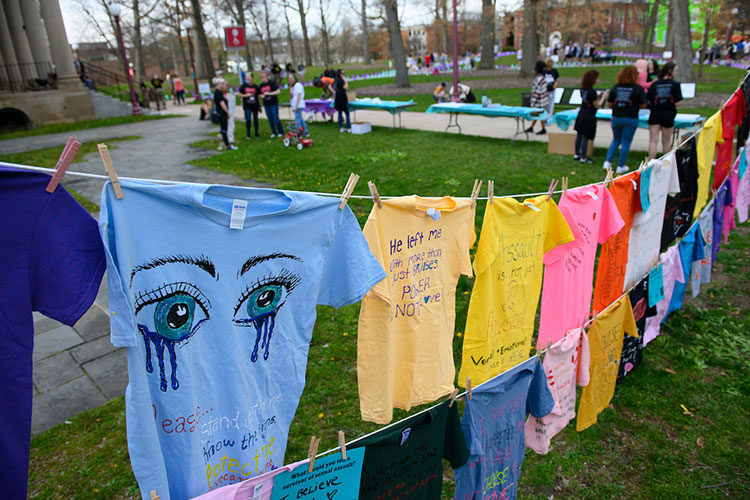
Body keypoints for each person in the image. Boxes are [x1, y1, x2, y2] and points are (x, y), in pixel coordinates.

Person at [604, 65, 646, 173]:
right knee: (626, 142)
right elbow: (643, 104)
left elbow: (610, 103)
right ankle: (620, 165)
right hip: (630, 118)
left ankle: (608, 162)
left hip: (617, 116)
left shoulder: (616, 87)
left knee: (616, 139)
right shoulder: (638, 89)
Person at [647, 62, 682, 159]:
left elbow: (649, 99)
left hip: (655, 113)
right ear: (670, 71)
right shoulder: (675, 85)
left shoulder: (655, 84)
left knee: (653, 140)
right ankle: (666, 163)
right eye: (676, 70)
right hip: (668, 114)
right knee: (666, 141)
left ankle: (651, 162)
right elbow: (678, 102)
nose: (676, 73)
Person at [574, 70, 608, 164]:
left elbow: (588, 99)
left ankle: (577, 153)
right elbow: (597, 105)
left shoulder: (583, 89)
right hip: (589, 115)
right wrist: (603, 97)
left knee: (579, 134)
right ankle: (584, 157)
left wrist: (598, 96)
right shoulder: (592, 91)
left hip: (582, 112)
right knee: (585, 135)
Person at [526, 60, 549, 135]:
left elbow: (537, 92)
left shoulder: (539, 80)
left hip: (540, 102)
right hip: (542, 101)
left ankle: (543, 129)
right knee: (538, 115)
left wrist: (533, 102)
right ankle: (532, 127)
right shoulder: (542, 79)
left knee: (539, 115)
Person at [213, 79, 236, 150]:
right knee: (224, 129)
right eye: (222, 84)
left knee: (223, 129)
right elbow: (222, 104)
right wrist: (227, 112)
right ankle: (227, 144)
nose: (223, 85)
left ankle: (224, 143)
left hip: (221, 113)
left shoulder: (217, 92)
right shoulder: (218, 93)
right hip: (222, 113)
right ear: (219, 84)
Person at [259, 71, 283, 137]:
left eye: (263, 76)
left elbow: (278, 91)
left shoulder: (271, 83)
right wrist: (261, 96)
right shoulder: (261, 85)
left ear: (266, 76)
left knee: (275, 117)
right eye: (261, 77)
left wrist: (268, 93)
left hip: (273, 103)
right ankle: (274, 132)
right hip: (266, 104)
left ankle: (280, 131)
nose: (262, 78)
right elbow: (259, 94)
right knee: (270, 118)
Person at [238, 73, 261, 138]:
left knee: (255, 119)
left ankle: (256, 133)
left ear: (252, 78)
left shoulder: (255, 86)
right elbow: (239, 95)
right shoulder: (243, 86)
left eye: (249, 78)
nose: (248, 79)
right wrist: (247, 95)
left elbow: (258, 96)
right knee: (248, 119)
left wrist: (260, 105)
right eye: (247, 78)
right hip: (247, 105)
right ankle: (248, 133)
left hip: (255, 105)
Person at [289, 73, 309, 137]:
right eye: (289, 79)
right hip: (295, 105)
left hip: (299, 105)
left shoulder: (298, 85)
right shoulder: (293, 87)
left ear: (295, 78)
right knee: (300, 119)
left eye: (291, 78)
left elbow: (299, 95)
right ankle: (306, 132)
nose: (290, 80)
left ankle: (298, 133)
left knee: (297, 120)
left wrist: (296, 106)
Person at [545, 58, 559, 125]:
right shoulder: (544, 71)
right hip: (545, 90)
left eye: (551, 62)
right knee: (546, 105)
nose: (550, 63)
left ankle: (549, 118)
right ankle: (545, 117)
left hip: (552, 90)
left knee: (551, 104)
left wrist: (554, 86)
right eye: (549, 62)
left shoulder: (554, 71)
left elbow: (556, 80)